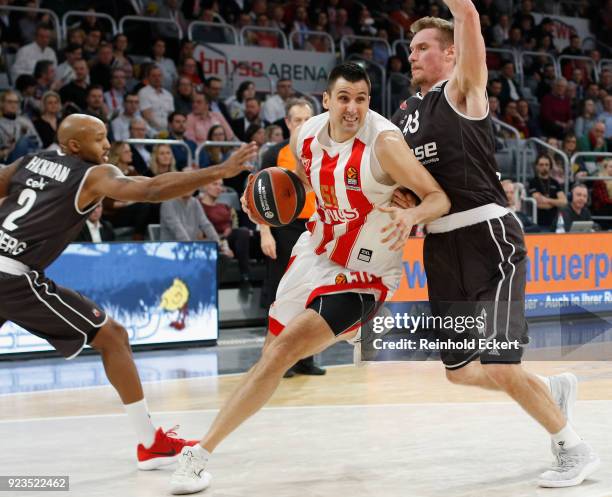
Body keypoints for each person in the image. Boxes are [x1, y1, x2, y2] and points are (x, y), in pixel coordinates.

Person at [168, 62, 450, 494]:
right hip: (316, 254)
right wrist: (259, 204)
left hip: (366, 273)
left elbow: (438, 197)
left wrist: (411, 213)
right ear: (327, 100)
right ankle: (357, 337)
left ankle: (198, 455)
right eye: (344, 98)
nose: (352, 108)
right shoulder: (306, 136)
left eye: (361, 98)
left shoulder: (386, 144)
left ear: (369, 102)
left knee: (282, 352)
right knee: (270, 357)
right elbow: (296, 187)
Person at [389, 6, 598, 487]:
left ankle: (575, 450)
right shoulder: (405, 115)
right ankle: (547, 389)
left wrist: (459, 9)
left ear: (451, 54)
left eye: (423, 47)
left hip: (488, 238)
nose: (413, 54)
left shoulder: (462, 91)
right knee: (460, 371)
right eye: (411, 48)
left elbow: (468, 13)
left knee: (500, 358)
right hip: (440, 246)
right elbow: (418, 183)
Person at [0, 114, 256, 471]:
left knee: (113, 337)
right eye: (100, 138)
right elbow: (151, 189)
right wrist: (219, 171)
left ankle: (150, 442)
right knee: (113, 337)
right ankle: (150, 443)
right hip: (13, 275)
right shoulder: (93, 175)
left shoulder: (28, 162)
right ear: (75, 146)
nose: (107, 145)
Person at [259, 97, 326, 377]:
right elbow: (260, 197)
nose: (302, 124)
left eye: (306, 119)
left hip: (315, 228)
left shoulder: (321, 150)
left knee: (311, 293)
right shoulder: (274, 153)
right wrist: (265, 233)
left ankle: (305, 359)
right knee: (281, 293)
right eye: (296, 119)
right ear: (287, 122)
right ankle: (276, 360)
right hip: (284, 228)